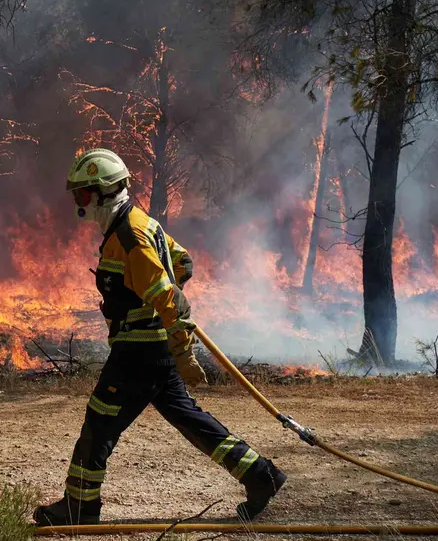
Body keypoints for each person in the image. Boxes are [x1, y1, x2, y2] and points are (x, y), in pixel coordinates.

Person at [33, 148, 286, 527]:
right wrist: (157, 299)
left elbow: (172, 299)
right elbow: (183, 262)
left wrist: (183, 352)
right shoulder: (141, 224)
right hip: (151, 349)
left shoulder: (130, 236)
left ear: (103, 193)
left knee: (98, 426)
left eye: (82, 195)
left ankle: (79, 506)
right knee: (189, 419)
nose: (78, 203)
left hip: (138, 353)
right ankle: (259, 475)